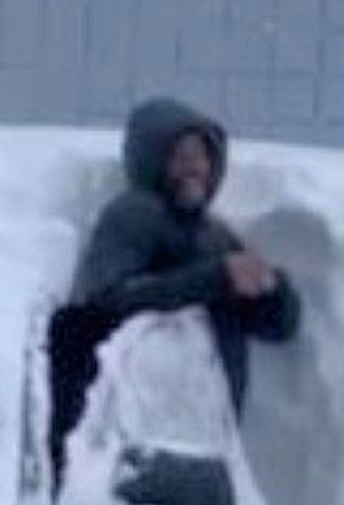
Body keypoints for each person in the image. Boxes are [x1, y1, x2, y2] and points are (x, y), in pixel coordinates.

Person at [49, 97, 301, 485]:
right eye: (182, 156)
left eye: (204, 157)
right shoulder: (134, 216)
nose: (196, 168)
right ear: (153, 159)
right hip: (139, 443)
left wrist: (271, 289)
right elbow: (108, 301)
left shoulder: (213, 234)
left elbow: (277, 327)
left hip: (199, 439)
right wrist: (215, 278)